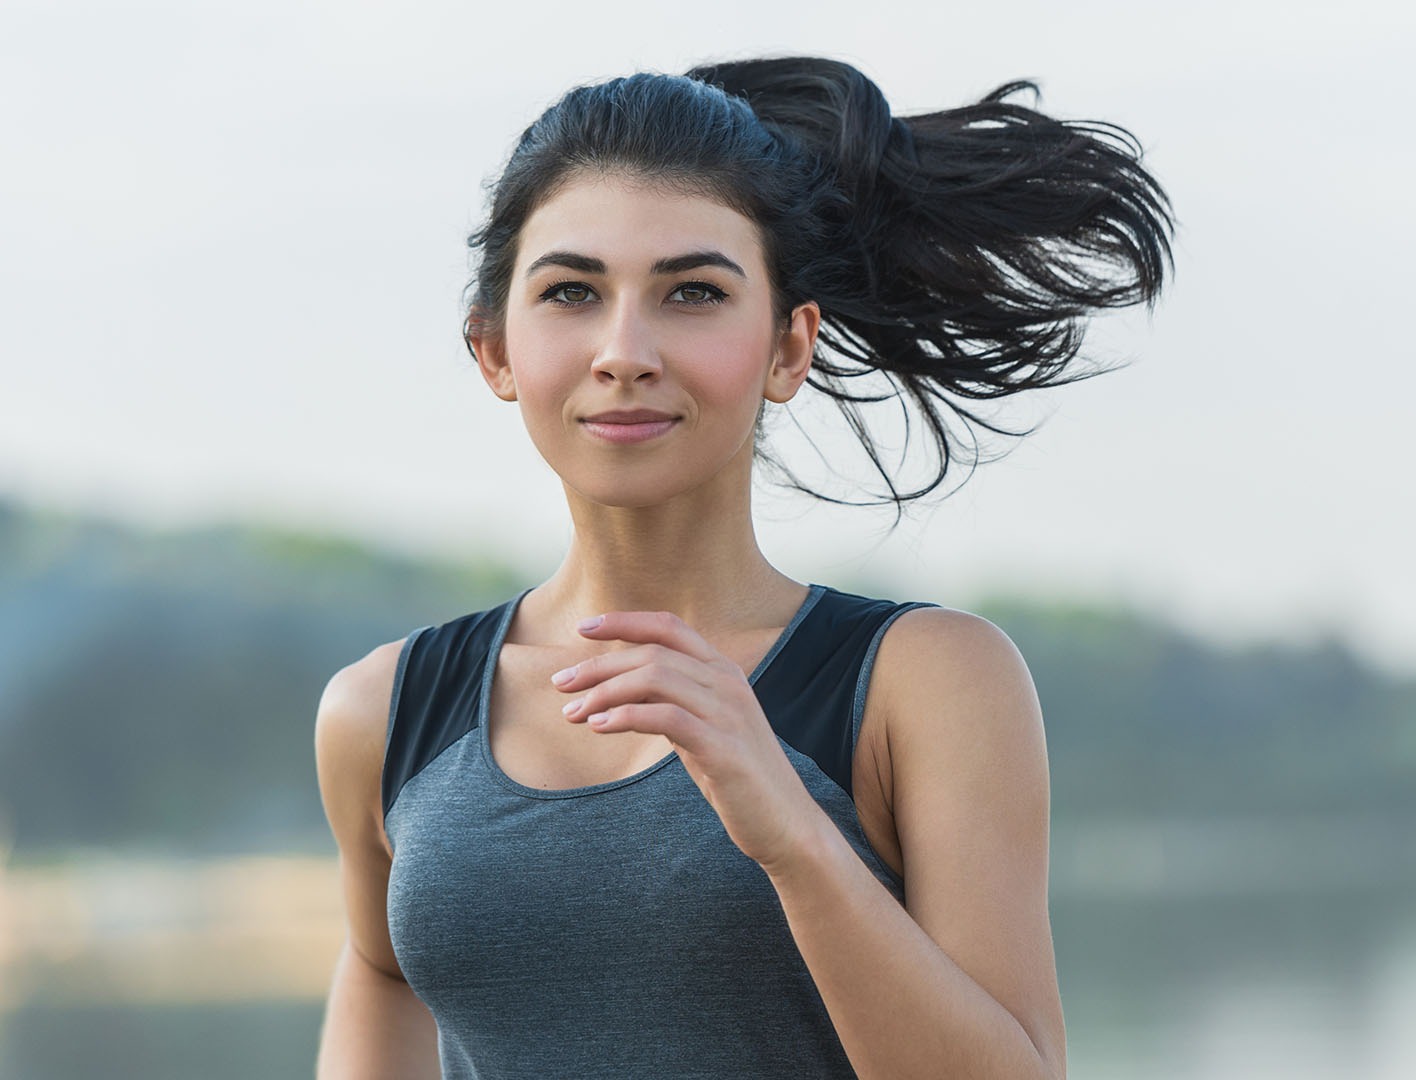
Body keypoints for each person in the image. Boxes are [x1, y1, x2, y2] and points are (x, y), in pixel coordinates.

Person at [312, 55, 1174, 1079]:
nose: (624, 350)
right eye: (573, 291)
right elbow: (380, 971)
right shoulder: (387, 710)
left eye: (694, 292)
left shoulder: (924, 683)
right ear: (494, 347)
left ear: (787, 347)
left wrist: (793, 836)